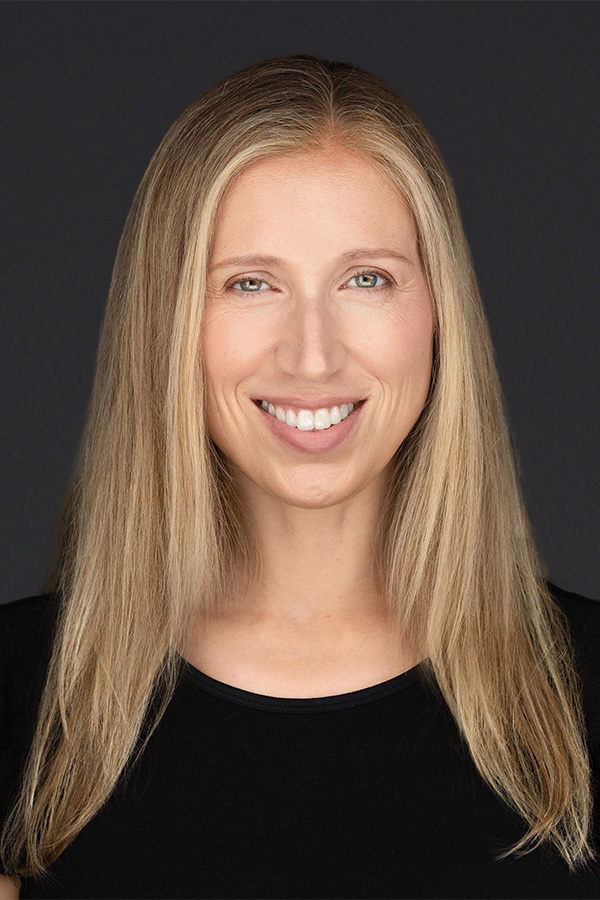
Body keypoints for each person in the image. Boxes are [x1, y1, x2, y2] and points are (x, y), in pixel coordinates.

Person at [0, 54, 598, 900]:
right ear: (168, 321)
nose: (311, 354)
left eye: (366, 279)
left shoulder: (584, 694)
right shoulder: (22, 701)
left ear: (439, 312)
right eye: (250, 283)